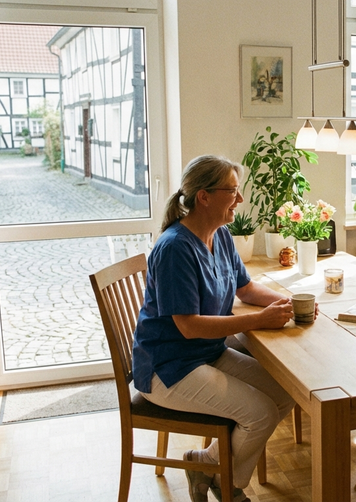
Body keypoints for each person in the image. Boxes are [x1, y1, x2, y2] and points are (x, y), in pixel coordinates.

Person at [133, 155, 305, 502]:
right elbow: (189, 326)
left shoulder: (221, 235)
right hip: (167, 368)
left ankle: (206, 465)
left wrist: (283, 303)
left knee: (286, 392)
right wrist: (257, 320)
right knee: (259, 413)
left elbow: (245, 288)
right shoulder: (174, 248)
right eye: (233, 191)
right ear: (204, 197)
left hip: (206, 354)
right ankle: (230, 487)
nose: (240, 200)